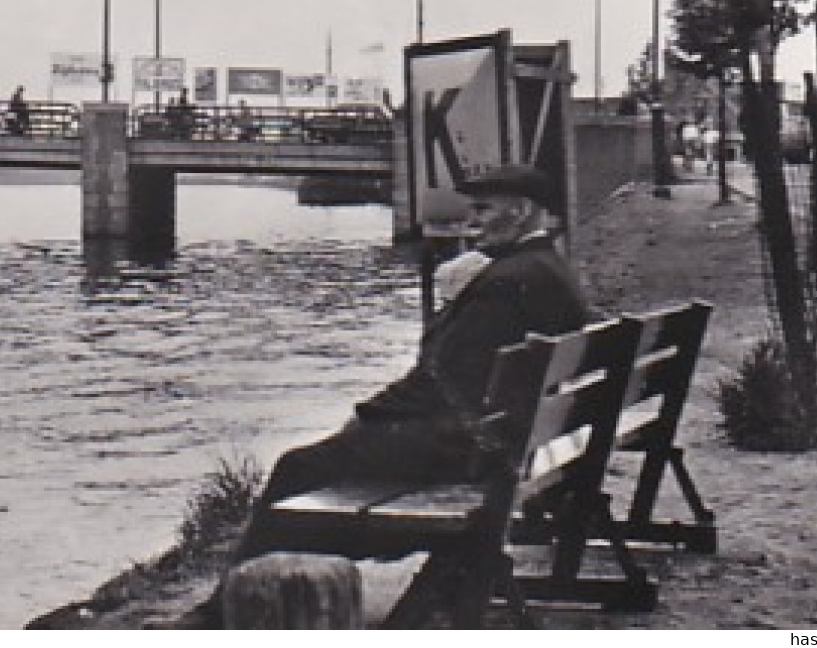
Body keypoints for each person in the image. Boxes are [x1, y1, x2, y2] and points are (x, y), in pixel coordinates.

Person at [180, 163, 592, 627]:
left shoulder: (502, 285)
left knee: (297, 469)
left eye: (483, 209)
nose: (471, 220)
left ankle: (222, 615)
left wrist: (366, 416)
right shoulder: (547, 272)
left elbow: (440, 381)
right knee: (321, 464)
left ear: (518, 212)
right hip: (518, 441)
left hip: (473, 455)